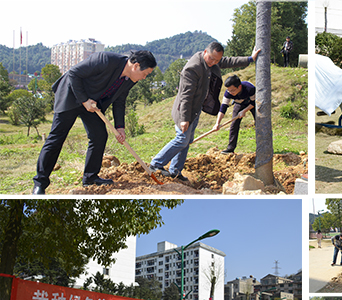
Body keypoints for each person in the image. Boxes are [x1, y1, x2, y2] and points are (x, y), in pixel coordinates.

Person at [32, 50, 157, 194]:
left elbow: (119, 101)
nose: (144, 78)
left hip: (93, 104)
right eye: (145, 74)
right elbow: (74, 73)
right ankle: (40, 183)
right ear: (136, 66)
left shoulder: (130, 79)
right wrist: (84, 100)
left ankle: (90, 177)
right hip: (72, 94)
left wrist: (120, 127)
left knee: (99, 135)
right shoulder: (106, 59)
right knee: (57, 137)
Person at [149, 42, 260, 181]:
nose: (214, 62)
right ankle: (156, 164)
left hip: (195, 109)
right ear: (205, 52)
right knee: (182, 140)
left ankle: (175, 171)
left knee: (187, 140)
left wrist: (250, 59)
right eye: (212, 59)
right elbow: (185, 96)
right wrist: (184, 118)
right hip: (184, 110)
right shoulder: (192, 68)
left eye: (217, 60)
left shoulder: (213, 61)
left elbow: (228, 61)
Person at [212, 75, 256, 154]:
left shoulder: (250, 89)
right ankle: (230, 149)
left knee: (259, 123)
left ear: (239, 87)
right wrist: (217, 123)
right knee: (234, 125)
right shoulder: (228, 93)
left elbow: (253, 102)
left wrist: (244, 111)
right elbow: (223, 108)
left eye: (232, 90)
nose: (230, 92)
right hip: (239, 103)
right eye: (229, 90)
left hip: (252, 104)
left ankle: (262, 146)